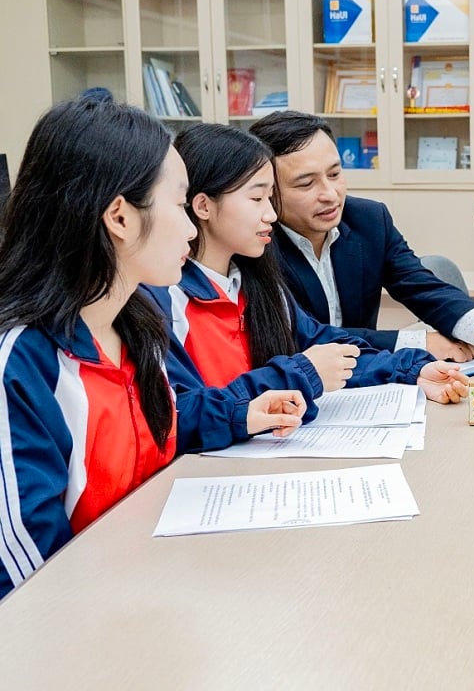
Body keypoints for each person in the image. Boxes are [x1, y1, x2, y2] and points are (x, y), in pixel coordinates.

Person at [0, 99, 304, 598]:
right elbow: (31, 578)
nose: (191, 227)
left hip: (159, 588)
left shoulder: (136, 327)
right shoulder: (22, 361)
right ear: (120, 217)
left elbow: (148, 433)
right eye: (182, 204)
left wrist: (240, 414)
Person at [145, 123, 469, 407]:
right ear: (203, 205)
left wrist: (412, 369)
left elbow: (324, 344)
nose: (271, 215)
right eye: (257, 199)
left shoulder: (255, 283)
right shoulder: (165, 299)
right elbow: (179, 413)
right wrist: (302, 373)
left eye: (270, 199)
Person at [248, 111, 474, 360]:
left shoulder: (368, 219)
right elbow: (302, 337)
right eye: (306, 184)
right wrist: (417, 343)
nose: (330, 194)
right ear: (267, 191)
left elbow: (419, 285)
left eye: (335, 174)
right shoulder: (255, 245)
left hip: (370, 389)